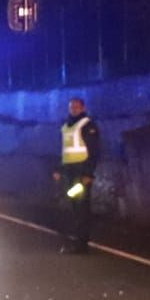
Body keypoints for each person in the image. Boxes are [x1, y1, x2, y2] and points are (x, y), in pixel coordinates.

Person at [53, 95, 101, 253]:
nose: (74, 109)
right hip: (69, 172)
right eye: (71, 107)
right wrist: (59, 170)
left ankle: (82, 244)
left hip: (81, 172)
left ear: (83, 108)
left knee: (81, 207)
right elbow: (63, 150)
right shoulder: (66, 126)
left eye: (77, 107)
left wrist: (89, 174)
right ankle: (76, 239)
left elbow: (94, 151)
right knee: (73, 205)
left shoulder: (88, 125)